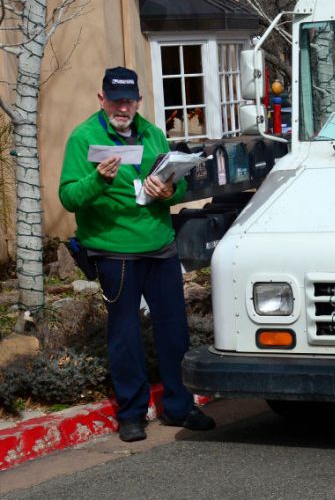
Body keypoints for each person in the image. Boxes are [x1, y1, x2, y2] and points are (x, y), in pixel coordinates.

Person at [59, 67, 215, 442]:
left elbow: (173, 187)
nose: (122, 107)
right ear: (102, 100)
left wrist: (169, 194)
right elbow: (68, 197)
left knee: (174, 332)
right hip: (115, 252)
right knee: (125, 336)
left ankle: (180, 406)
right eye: (115, 100)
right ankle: (131, 414)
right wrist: (99, 179)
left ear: (138, 102)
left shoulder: (152, 133)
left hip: (160, 247)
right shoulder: (84, 138)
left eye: (128, 100)